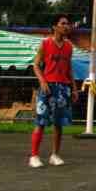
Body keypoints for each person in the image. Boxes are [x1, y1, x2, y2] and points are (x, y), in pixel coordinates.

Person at [28, 14, 78, 168]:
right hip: (48, 86)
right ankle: (34, 156)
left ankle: (54, 155)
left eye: (67, 24)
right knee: (41, 122)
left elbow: (69, 69)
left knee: (59, 123)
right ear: (54, 27)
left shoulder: (69, 46)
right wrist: (42, 81)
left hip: (63, 87)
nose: (66, 26)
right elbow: (36, 65)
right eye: (63, 23)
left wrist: (74, 88)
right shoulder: (45, 44)